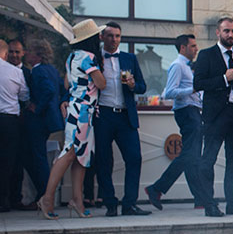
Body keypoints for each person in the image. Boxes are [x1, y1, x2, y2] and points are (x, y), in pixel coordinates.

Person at [38, 20, 106, 219]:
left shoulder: (72, 57)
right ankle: (47, 198)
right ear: (93, 39)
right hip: (83, 111)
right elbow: (102, 84)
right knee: (69, 154)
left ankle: (76, 199)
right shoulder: (88, 57)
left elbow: (67, 83)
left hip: (77, 109)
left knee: (79, 157)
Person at [193, 17, 233, 217]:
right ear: (218, 32)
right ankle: (209, 204)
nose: (230, 35)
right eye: (226, 31)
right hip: (216, 116)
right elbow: (198, 83)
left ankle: (232, 203)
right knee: (208, 160)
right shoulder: (206, 55)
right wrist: (224, 79)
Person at [94, 22, 150, 217]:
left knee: (134, 158)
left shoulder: (129, 58)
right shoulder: (94, 59)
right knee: (103, 160)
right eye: (110, 36)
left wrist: (134, 84)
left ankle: (129, 204)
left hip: (126, 115)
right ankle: (110, 203)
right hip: (103, 114)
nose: (114, 39)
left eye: (118, 36)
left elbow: (143, 87)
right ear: (102, 37)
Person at [146, 34, 203, 209]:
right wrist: (192, 89)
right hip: (186, 111)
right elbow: (169, 92)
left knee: (192, 156)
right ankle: (157, 188)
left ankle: (200, 198)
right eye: (192, 46)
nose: (196, 49)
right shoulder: (177, 66)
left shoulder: (188, 67)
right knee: (190, 155)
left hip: (193, 110)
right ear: (183, 48)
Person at [21, 40, 64, 209]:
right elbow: (60, 89)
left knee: (38, 157)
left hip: (39, 120)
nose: (26, 54)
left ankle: (46, 194)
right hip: (50, 120)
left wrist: (37, 108)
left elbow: (49, 91)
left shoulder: (37, 71)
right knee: (39, 156)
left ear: (37, 55)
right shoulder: (52, 70)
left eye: (29, 51)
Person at [0, 40, 29, 212]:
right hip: (9, 120)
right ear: (5, 54)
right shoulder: (15, 72)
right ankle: (5, 200)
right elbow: (25, 95)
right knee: (8, 161)